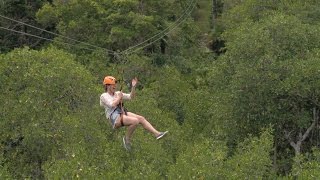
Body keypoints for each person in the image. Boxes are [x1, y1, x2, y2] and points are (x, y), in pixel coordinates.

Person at [100, 76, 168, 150]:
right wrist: (119, 97)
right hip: (114, 117)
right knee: (135, 121)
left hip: (122, 113)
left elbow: (131, 97)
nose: (114, 86)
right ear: (107, 86)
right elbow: (112, 105)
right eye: (112, 85)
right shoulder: (104, 96)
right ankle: (126, 139)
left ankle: (157, 134)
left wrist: (133, 87)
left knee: (141, 118)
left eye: (114, 84)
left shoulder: (117, 93)